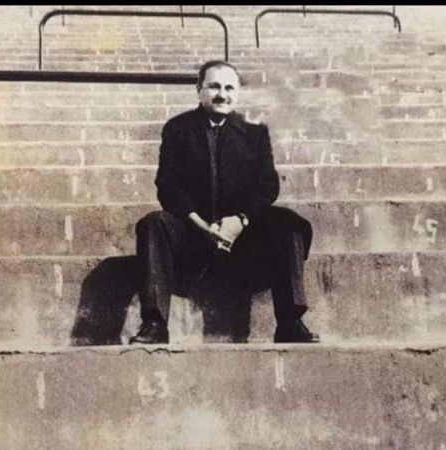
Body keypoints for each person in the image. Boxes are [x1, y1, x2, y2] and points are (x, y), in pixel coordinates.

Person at [130, 60, 319, 344]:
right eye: (214, 86)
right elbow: (168, 186)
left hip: (242, 243)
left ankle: (290, 322)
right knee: (153, 223)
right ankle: (155, 324)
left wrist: (239, 221)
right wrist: (201, 226)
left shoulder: (255, 133)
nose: (222, 94)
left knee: (289, 223)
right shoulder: (177, 129)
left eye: (229, 88)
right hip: (192, 240)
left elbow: (267, 186)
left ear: (238, 92)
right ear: (199, 89)